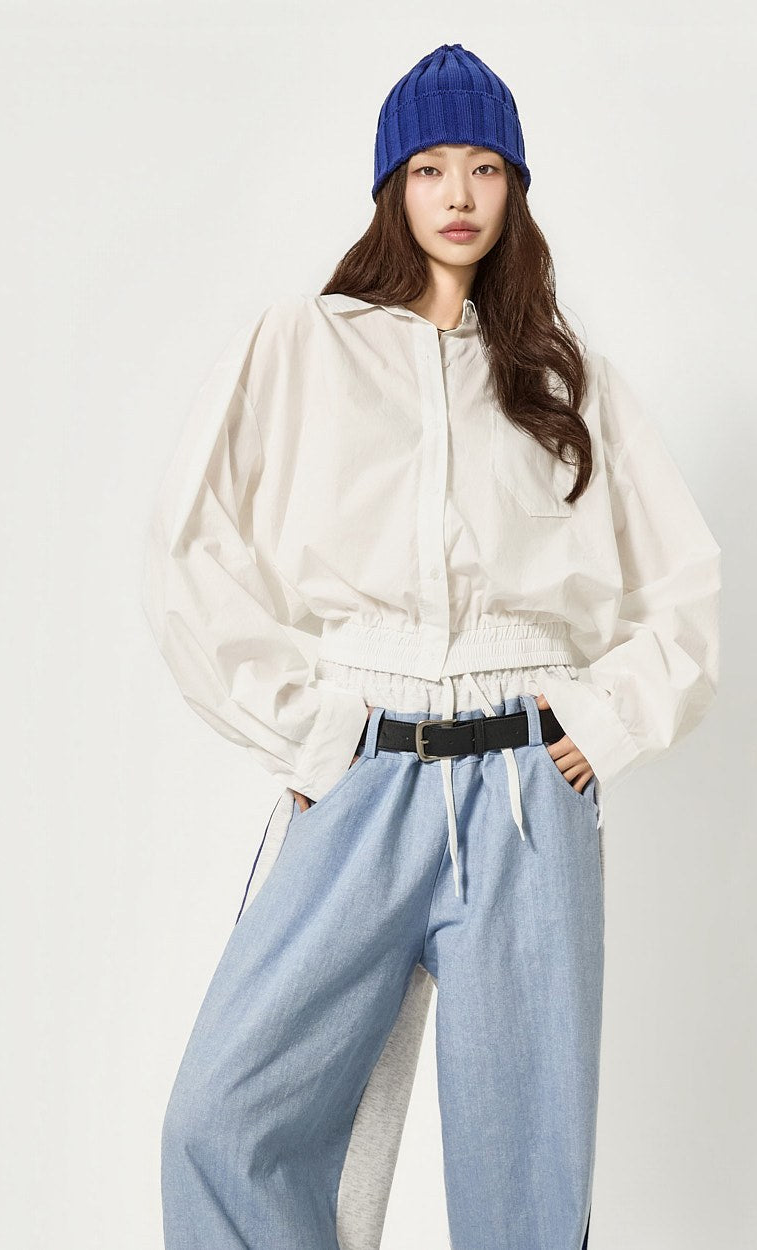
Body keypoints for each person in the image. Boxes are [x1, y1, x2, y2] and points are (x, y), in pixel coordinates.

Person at [141, 41, 721, 1250]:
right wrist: (304, 725)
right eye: (429, 167)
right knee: (222, 1120)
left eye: (485, 167)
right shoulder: (305, 343)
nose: (459, 193)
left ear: (515, 189)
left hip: (525, 795)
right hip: (358, 771)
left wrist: (603, 719)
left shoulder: (565, 379)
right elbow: (188, 548)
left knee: (524, 1180)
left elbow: (681, 587)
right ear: (391, 188)